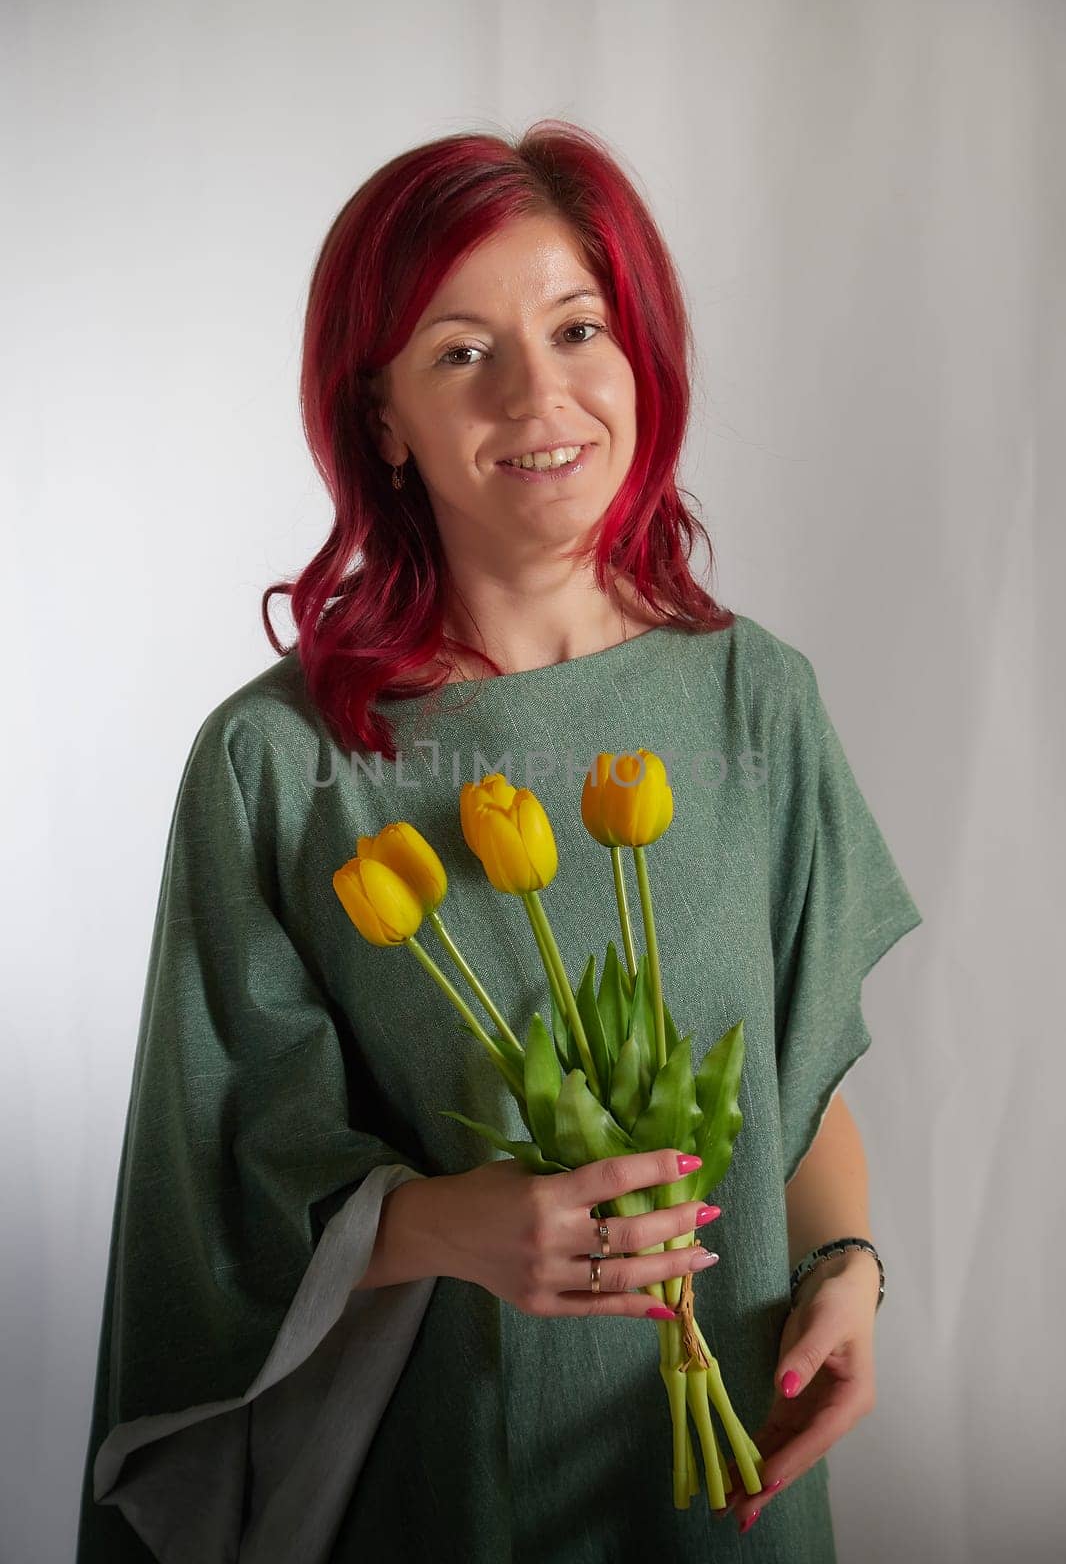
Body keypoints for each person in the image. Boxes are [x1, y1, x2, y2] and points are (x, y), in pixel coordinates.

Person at [75, 120, 922, 1563]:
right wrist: (444, 1224)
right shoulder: (279, 762)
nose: (540, 392)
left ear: (638, 353)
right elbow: (217, 1174)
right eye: (462, 350)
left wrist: (846, 1269)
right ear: (384, 417)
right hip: (440, 1478)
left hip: (730, 1468)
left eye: (576, 327)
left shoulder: (752, 699)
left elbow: (796, 1078)